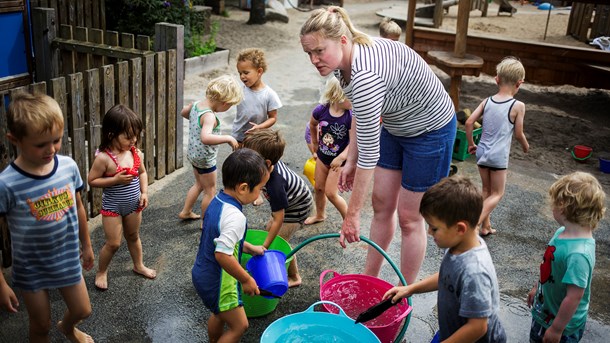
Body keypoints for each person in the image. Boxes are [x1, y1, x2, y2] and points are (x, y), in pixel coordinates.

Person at [300, 6, 456, 285]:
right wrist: (350, 160)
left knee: (409, 216)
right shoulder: (341, 65)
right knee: (382, 202)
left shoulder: (366, 76)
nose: (313, 60)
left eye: (319, 51)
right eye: (308, 54)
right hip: (395, 124)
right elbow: (361, 112)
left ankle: (403, 291)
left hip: (430, 129)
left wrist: (352, 216)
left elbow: (370, 153)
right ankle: (368, 279)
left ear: (343, 41)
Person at [0, 93, 95, 342]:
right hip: (31, 268)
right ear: (15, 140)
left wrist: (86, 245)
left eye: (56, 140)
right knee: (40, 325)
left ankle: (68, 327)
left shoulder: (67, 166)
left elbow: (79, 207)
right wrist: (0, 282)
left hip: (66, 257)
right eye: (41, 144)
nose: (51, 149)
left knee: (83, 309)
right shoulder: (6, 184)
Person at [384, 176, 507, 343]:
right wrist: (410, 289)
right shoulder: (458, 244)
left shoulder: (475, 272)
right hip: (452, 331)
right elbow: (447, 276)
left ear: (460, 228)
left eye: (434, 228)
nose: (429, 232)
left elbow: (478, 327)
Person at [192, 148, 270, 343]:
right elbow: (223, 255)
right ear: (243, 188)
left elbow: (223, 240)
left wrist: (251, 248)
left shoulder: (217, 201)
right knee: (239, 325)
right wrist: (246, 279)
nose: (261, 193)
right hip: (218, 282)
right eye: (260, 188)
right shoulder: (236, 217)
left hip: (202, 273)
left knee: (219, 313)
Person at [527, 172, 606, 343]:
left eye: (553, 203)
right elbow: (548, 265)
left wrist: (556, 329)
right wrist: (537, 287)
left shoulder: (578, 254)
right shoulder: (561, 233)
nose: (551, 207)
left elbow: (574, 296)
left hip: (562, 327)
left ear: (563, 207)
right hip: (546, 312)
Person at [88, 104, 156, 290]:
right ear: (111, 134)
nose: (133, 140)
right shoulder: (104, 158)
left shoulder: (136, 153)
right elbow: (92, 180)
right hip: (113, 207)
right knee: (113, 243)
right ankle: (102, 271)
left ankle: (138, 265)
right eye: (128, 136)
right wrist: (115, 179)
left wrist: (144, 192)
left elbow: (142, 173)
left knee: (133, 236)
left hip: (134, 204)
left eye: (136, 135)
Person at [466, 56, 529, 236]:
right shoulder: (518, 105)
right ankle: (474, 224)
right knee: (497, 194)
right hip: (498, 156)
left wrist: (471, 144)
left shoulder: (487, 101)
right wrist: (525, 146)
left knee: (486, 190)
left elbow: (469, 122)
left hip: (482, 152)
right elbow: (518, 133)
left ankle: (485, 227)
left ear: (497, 79)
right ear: (519, 83)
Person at [242, 129, 313, 288]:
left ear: (266, 163)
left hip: (296, 209)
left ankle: (294, 276)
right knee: (270, 231)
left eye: (250, 158)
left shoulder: (275, 185)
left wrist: (265, 246)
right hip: (292, 200)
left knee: (279, 242)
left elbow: (279, 218)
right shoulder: (268, 165)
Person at [178, 75, 243, 221]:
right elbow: (206, 138)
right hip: (205, 159)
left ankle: (186, 211)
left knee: (199, 184)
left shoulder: (197, 105)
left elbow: (183, 112)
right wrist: (227, 138)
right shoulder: (209, 116)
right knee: (210, 191)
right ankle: (205, 222)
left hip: (193, 154)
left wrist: (196, 120)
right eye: (230, 106)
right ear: (224, 103)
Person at [304, 76, 352, 225]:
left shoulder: (349, 116)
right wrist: (315, 144)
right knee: (318, 188)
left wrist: (342, 157)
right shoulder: (321, 110)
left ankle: (348, 223)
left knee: (331, 193)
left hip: (338, 162)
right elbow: (312, 125)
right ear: (338, 95)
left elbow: (353, 142)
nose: (355, 100)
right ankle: (320, 215)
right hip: (322, 157)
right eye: (351, 96)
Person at [232, 48, 282, 144]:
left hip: (257, 137)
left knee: (255, 158)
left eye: (246, 73)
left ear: (259, 71)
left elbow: (273, 118)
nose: (242, 76)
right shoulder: (239, 91)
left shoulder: (269, 94)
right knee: (238, 158)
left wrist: (260, 127)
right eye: (240, 73)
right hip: (238, 136)